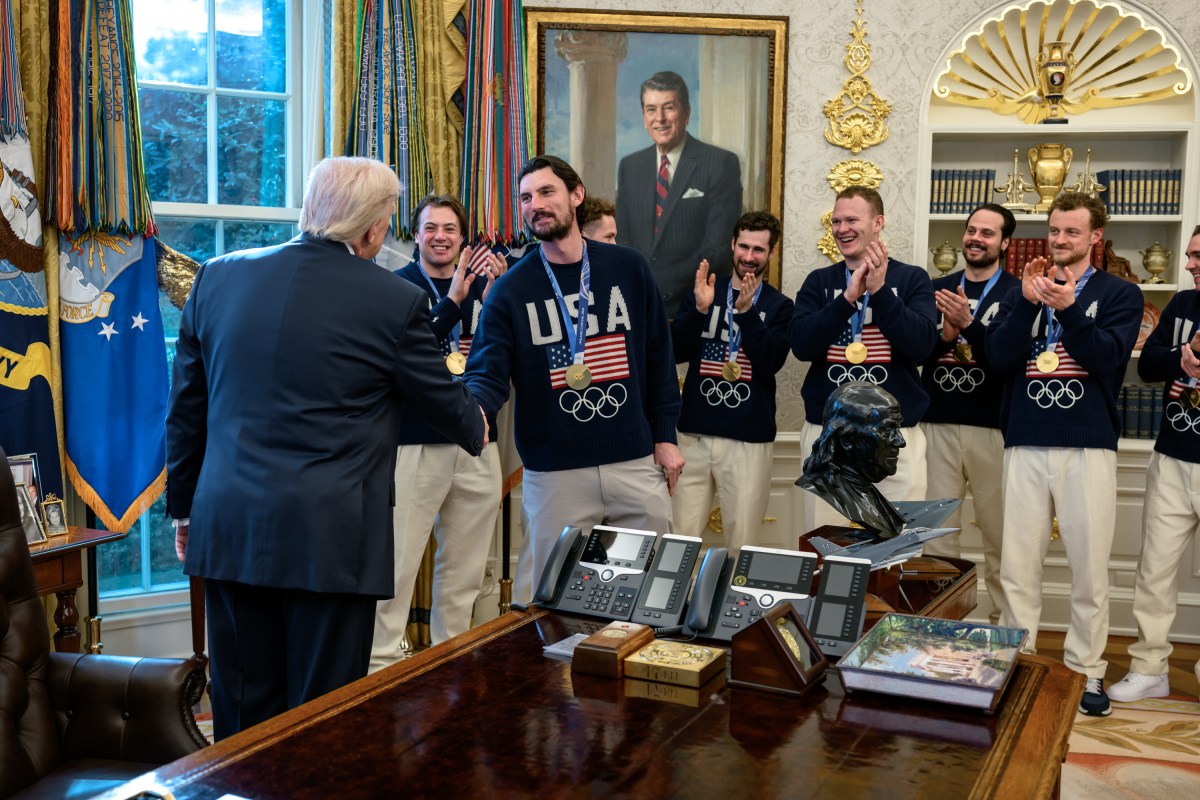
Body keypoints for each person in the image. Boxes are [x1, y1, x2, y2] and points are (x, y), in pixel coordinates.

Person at [166, 157, 488, 739]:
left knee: (240, 720)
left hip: (230, 530)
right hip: (332, 542)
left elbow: (187, 411)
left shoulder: (217, 277)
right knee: (322, 725)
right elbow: (456, 413)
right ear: (372, 228)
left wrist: (184, 511)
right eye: (387, 221)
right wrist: (477, 418)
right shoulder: (394, 301)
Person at [463, 154, 683, 602]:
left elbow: (659, 357)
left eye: (547, 192)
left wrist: (666, 437)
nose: (535, 205)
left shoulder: (628, 268)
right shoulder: (511, 289)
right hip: (556, 475)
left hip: (633, 464)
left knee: (642, 596)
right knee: (548, 603)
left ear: (576, 195)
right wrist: (475, 410)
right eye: (526, 197)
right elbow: (486, 371)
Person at [985, 191, 1142, 717]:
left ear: (1095, 237)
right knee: (1017, 566)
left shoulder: (1121, 294)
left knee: (1089, 569)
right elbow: (998, 357)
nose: (1060, 240)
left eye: (1072, 232)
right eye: (1054, 230)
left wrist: (1070, 309)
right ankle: (1018, 661)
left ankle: (1086, 670)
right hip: (1025, 439)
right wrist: (1029, 304)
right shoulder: (1023, 290)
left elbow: (1108, 361)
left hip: (1087, 444)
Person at [370, 195, 507, 671]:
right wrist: (452, 304)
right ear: (415, 235)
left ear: (463, 238)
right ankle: (380, 666)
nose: (441, 237)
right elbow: (396, 356)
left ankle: (453, 665)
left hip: (476, 440)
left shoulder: (490, 287)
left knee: (466, 570)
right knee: (398, 564)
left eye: (450, 228)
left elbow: (497, 359)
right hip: (414, 442)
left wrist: (496, 301)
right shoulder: (395, 287)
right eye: (430, 228)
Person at [788, 186, 937, 531]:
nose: (842, 229)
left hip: (895, 436)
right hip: (830, 435)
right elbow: (802, 346)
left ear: (878, 223)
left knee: (897, 543)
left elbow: (921, 347)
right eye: (836, 221)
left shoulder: (912, 279)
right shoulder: (819, 282)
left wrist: (880, 293)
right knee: (828, 543)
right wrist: (846, 300)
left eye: (852, 220)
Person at [1109, 225, 1200, 703]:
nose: (1189, 264)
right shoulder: (1182, 305)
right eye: (1189, 255)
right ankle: (1149, 668)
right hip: (1172, 455)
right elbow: (1147, 366)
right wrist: (1184, 359)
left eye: (1198, 256)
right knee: (1154, 571)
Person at [919, 204, 1020, 624]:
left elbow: (1006, 359)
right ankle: (939, 626)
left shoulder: (1018, 293)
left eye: (987, 233)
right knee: (937, 534)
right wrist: (946, 334)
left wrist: (969, 324)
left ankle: (1005, 627)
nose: (976, 239)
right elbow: (916, 353)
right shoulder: (935, 288)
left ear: (1005, 243)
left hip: (993, 428)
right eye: (971, 230)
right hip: (936, 424)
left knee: (1000, 536)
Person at [670, 211, 792, 551]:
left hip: (748, 441)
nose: (749, 257)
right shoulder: (706, 290)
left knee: (743, 545)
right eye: (744, 247)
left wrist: (747, 313)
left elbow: (770, 363)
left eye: (759, 249)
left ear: (771, 253)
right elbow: (675, 353)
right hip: (693, 436)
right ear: (732, 245)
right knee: (679, 540)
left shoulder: (780, 306)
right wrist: (698, 311)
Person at [615, 71, 742, 313]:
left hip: (692, 306)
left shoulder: (720, 163)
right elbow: (622, 239)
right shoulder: (630, 166)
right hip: (636, 301)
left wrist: (658, 285)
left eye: (669, 108)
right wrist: (640, 285)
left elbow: (717, 248)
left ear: (686, 112)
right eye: (651, 109)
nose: (660, 118)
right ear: (643, 116)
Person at [797, 381, 907, 537]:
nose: (901, 441)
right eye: (887, 429)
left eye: (897, 428)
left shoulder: (868, 493)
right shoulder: (827, 487)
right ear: (846, 438)